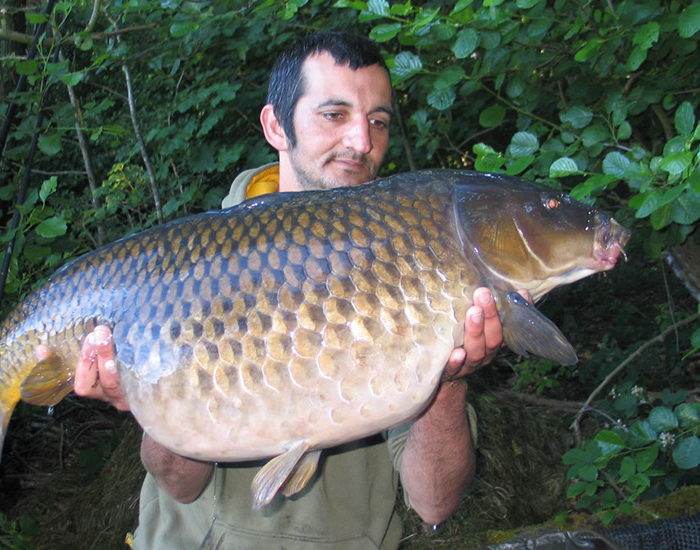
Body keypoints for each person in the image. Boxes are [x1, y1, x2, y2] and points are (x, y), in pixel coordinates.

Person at [73, 32, 507, 549]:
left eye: (379, 121)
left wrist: (448, 380)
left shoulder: (409, 261)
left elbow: (434, 503)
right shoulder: (192, 267)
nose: (362, 142)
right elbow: (177, 481)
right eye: (334, 115)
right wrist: (147, 397)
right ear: (276, 125)